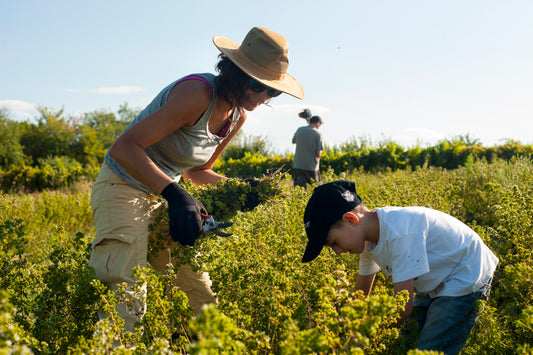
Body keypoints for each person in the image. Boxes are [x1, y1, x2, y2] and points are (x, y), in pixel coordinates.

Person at [88, 26, 304, 333]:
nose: (263, 96)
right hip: (122, 186)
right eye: (259, 85)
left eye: (273, 90)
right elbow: (123, 147)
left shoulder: (237, 116)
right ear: (236, 72)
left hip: (165, 195)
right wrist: (174, 193)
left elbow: (197, 172)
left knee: (199, 295)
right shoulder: (197, 94)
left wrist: (238, 188)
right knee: (128, 296)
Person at [301, 180, 498, 355]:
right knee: (403, 345)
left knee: (428, 348)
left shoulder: (400, 234)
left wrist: (362, 335)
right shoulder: (368, 239)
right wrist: (342, 327)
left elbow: (401, 310)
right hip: (435, 279)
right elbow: (360, 295)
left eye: (333, 243)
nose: (337, 251)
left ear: (351, 220)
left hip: (465, 273)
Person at [292, 115, 323, 188]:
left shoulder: (299, 130)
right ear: (318, 122)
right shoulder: (317, 133)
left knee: (299, 190)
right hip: (311, 166)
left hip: (298, 165)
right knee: (316, 189)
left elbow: (293, 141)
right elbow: (318, 154)